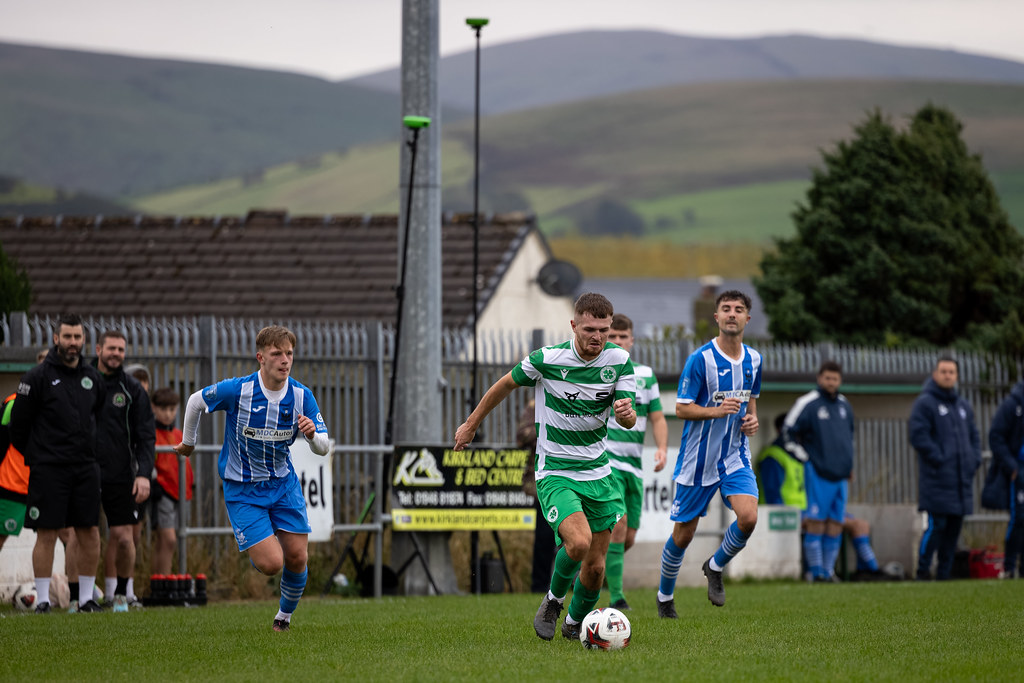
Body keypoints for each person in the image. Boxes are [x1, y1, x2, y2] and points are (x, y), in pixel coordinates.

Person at [454, 292, 636, 642]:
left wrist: (626, 414)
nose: (597, 337)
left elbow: (628, 417)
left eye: (603, 330)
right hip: (555, 471)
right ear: (574, 325)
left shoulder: (619, 361)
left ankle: (575, 624)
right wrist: (471, 424)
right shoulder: (548, 359)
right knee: (578, 543)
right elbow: (505, 384)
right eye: (589, 329)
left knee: (595, 568)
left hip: (598, 473)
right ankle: (553, 601)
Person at [173, 325, 330, 631]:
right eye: (277, 353)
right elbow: (195, 401)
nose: (285, 360)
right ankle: (258, 545)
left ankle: (283, 618)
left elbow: (323, 446)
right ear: (261, 357)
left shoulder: (301, 395)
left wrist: (312, 436)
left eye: (289, 354)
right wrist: (188, 442)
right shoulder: (238, 390)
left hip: (283, 485)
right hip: (243, 489)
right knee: (272, 564)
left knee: (297, 557)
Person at [656, 290, 761, 617]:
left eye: (738, 309)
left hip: (734, 455)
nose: (732, 314)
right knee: (683, 535)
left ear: (747, 318)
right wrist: (717, 411)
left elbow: (751, 401)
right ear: (716, 317)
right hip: (697, 460)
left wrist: (752, 420)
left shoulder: (755, 359)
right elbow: (681, 408)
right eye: (726, 309)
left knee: (748, 517)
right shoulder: (700, 359)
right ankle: (664, 597)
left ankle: (715, 566)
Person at [9, 313, 107, 614]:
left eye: (77, 337)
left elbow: (99, 419)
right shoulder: (36, 377)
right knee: (47, 533)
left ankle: (86, 599)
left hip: (86, 468)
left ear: (84, 340)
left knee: (89, 531)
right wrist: (39, 456)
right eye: (67, 337)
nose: (73, 342)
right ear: (56, 339)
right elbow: (18, 427)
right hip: (48, 469)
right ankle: (42, 601)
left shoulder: (93, 378)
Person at [755, 414, 883, 580]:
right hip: (790, 513)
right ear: (782, 431)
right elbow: (773, 496)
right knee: (820, 524)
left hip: (810, 509)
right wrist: (791, 515)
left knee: (860, 525)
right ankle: (817, 572)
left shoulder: (805, 455)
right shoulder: (773, 456)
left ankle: (869, 571)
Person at [604, 313, 667, 610]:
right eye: (612, 337)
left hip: (634, 465)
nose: (618, 341)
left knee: (628, 537)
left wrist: (662, 448)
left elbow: (657, 416)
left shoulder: (645, 375)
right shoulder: (599, 370)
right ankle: (617, 597)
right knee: (618, 527)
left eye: (622, 336)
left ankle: (588, 569)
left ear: (632, 339)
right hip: (607, 461)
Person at [91, 330, 155, 611]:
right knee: (84, 535)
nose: (116, 353)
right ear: (98, 350)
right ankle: (81, 597)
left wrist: (143, 474)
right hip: (85, 472)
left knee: (124, 537)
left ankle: (121, 594)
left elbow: (146, 436)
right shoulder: (83, 382)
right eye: (111, 348)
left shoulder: (132, 389)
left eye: (120, 349)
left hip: (121, 474)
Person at [908, 357, 982, 581]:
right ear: (935, 374)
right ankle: (922, 571)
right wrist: (939, 459)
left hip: (960, 480)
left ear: (957, 376)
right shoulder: (925, 403)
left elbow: (974, 436)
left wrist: (973, 459)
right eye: (944, 371)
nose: (948, 375)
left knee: (954, 529)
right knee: (937, 526)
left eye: (951, 372)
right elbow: (918, 435)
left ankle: (944, 574)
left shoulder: (963, 406)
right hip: (936, 479)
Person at [783, 360, 855, 583]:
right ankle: (815, 573)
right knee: (815, 522)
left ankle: (828, 571)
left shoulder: (844, 405)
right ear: (819, 378)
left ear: (840, 380)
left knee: (836, 524)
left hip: (841, 475)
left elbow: (849, 438)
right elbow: (787, 432)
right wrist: (806, 459)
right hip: (818, 473)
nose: (831, 382)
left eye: (835, 378)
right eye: (827, 378)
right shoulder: (808, 403)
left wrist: (849, 465)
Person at [150, 386, 193, 575]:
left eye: (172, 409)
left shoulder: (178, 434)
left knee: (168, 541)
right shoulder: (151, 433)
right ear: (154, 408)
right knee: (168, 540)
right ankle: (164, 581)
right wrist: (154, 483)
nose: (168, 414)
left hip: (182, 492)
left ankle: (160, 581)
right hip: (163, 492)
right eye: (163, 409)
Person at [517, 397, 557, 593]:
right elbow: (521, 436)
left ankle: (571, 584)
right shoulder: (536, 404)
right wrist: (548, 428)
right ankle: (539, 585)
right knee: (544, 536)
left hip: (569, 476)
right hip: (542, 482)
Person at [986, 375, 1024, 577]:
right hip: (1019, 470)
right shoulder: (1012, 404)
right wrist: (1012, 467)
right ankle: (1009, 568)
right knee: (1019, 519)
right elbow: (996, 436)